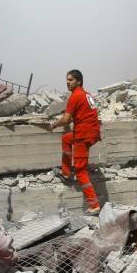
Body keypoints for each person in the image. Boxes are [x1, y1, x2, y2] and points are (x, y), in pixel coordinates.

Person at [49, 69, 101, 214]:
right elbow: (74, 116)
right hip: (92, 132)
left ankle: (94, 205)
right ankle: (66, 172)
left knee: (80, 170)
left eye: (71, 80)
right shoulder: (86, 94)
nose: (67, 82)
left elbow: (66, 119)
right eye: (66, 80)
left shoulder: (75, 96)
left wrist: (53, 124)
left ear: (79, 81)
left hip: (82, 135)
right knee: (66, 139)